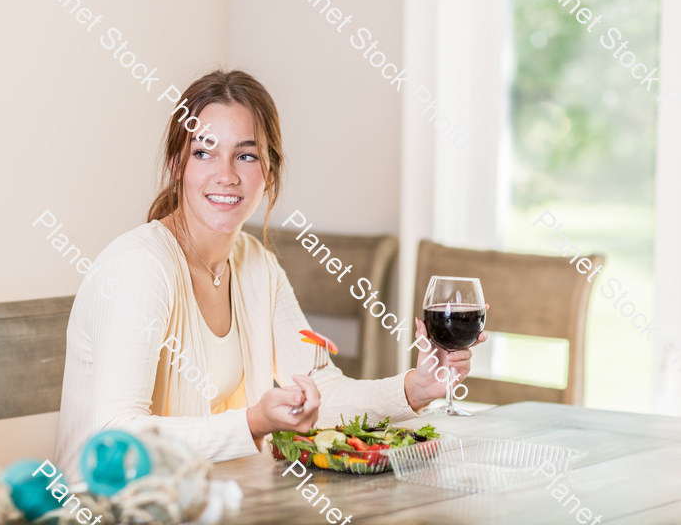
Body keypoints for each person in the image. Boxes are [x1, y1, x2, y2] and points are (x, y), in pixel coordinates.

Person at [54, 70, 486, 482]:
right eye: (203, 152)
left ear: (270, 173)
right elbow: (117, 437)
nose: (226, 174)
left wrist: (417, 387)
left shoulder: (255, 264)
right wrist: (252, 422)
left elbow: (321, 391)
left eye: (245, 155)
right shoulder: (140, 267)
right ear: (177, 165)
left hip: (215, 505)